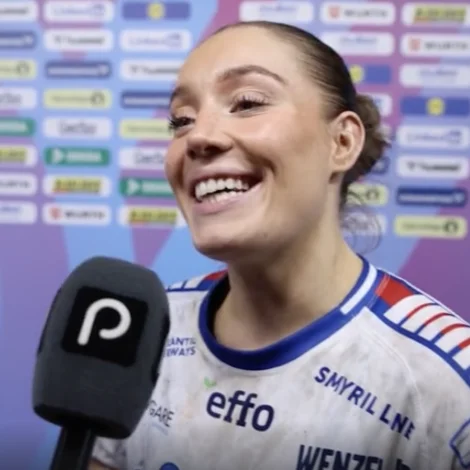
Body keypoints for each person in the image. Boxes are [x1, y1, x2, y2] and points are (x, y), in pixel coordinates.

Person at [90, 21, 470, 470]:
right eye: (181, 120)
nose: (198, 137)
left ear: (342, 142)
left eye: (247, 103)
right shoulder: (143, 331)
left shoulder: (445, 382)